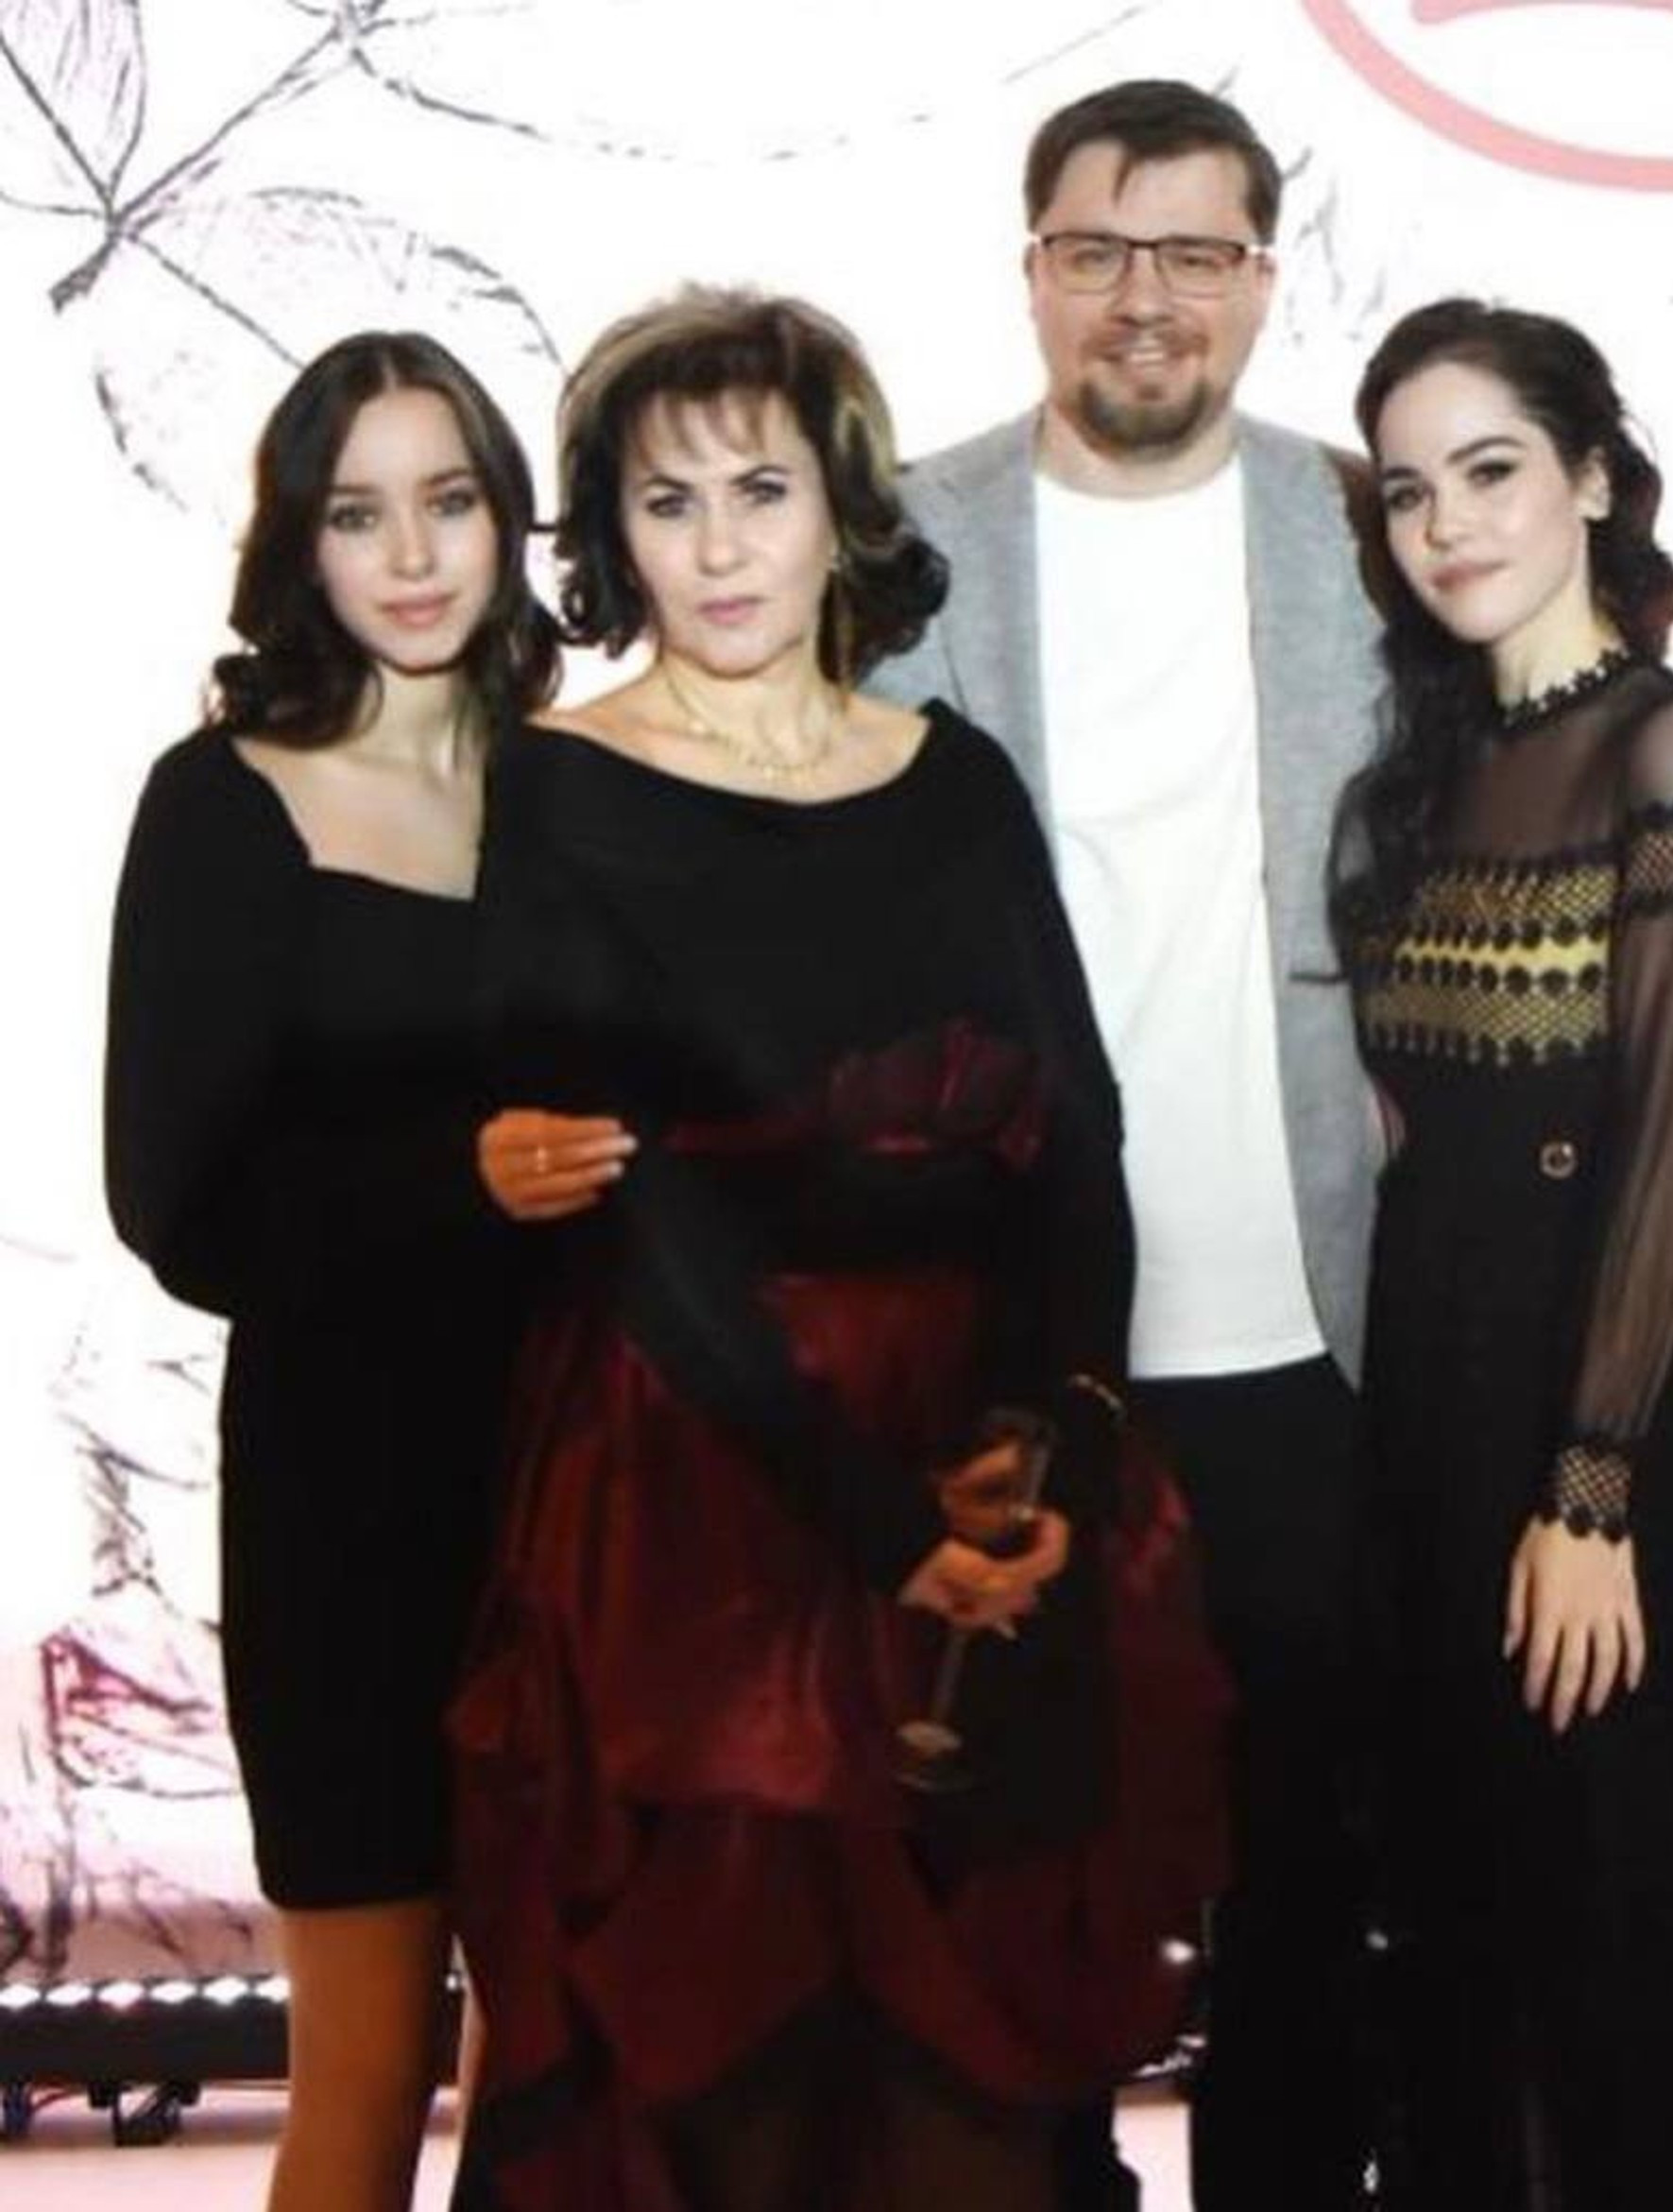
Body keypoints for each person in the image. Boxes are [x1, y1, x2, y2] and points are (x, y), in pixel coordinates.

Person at [445, 285, 1231, 2212]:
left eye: (762, 490)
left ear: (839, 510)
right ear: (612, 536)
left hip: (976, 1465)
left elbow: (1078, 1139)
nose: (719, 548)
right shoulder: (554, 788)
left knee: (975, 2111)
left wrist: (1050, 1439)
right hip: (694, 1494)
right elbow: (630, 1217)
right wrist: (881, 1530)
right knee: (724, 2090)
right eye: (668, 501)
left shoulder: (952, 777)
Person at [873, 79, 1388, 2211]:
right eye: (1095, 249)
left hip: (1309, 1316)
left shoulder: (1367, 526)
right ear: (1031, 273)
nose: (1142, 296)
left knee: (1311, 1856)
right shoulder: (894, 536)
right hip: (1008, 1326)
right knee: (1011, 1864)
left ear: (1261, 279)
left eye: (1192, 252)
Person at [104, 331, 572, 2212]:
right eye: (359, 511)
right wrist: (457, 1179)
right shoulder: (220, 801)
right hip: (343, 1510)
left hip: (584, 1492)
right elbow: (176, 1204)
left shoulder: (580, 790)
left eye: (448, 501)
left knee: (556, 2081)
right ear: (298, 542)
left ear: (508, 521)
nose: (412, 553)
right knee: (365, 2084)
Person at [1333, 297, 1673, 2208]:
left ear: (1591, 479)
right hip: (1433, 1394)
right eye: (1405, 490)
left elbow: (1660, 1155)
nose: (1445, 524)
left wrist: (1589, 1489)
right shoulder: (1421, 770)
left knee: (1625, 1922)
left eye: (1490, 469)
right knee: (1471, 1916)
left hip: (1619, 1398)